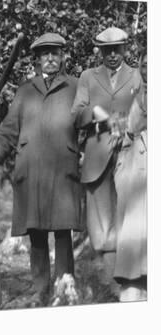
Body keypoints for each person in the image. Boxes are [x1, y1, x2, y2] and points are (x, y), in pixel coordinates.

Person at [0, 33, 84, 306]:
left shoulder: (76, 87)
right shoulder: (25, 91)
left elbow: (88, 124)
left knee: (63, 231)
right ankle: (40, 290)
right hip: (32, 171)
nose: (50, 58)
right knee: (36, 232)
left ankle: (64, 288)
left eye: (55, 53)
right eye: (45, 54)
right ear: (37, 60)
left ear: (62, 57)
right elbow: (9, 129)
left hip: (63, 169)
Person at [70, 27, 142, 295]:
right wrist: (95, 112)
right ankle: (111, 287)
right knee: (101, 226)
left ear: (125, 48)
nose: (112, 55)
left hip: (131, 153)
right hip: (97, 152)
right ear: (99, 51)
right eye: (106, 50)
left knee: (133, 219)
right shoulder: (88, 77)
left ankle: (133, 286)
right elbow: (76, 114)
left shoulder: (137, 75)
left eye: (117, 49)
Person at [112, 50, 147, 301]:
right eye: (145, 65)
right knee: (134, 262)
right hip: (136, 176)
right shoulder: (138, 95)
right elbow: (127, 133)